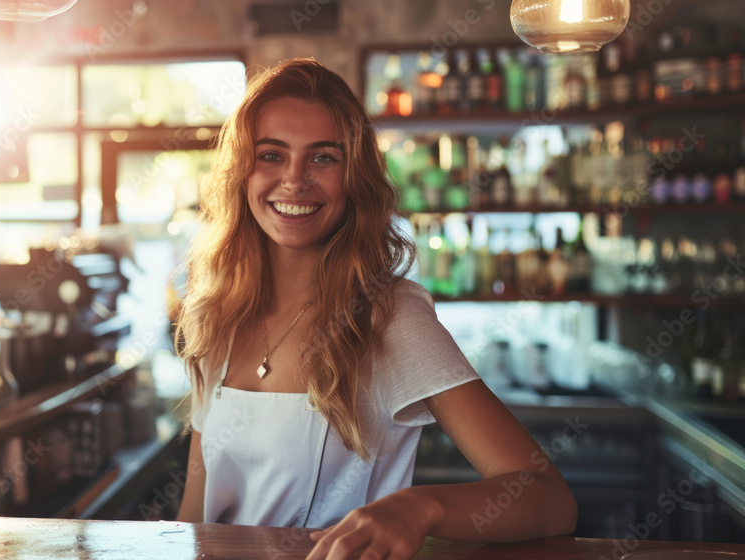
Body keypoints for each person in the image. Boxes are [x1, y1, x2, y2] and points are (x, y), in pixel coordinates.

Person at [174, 58, 577, 560]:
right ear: (241, 171)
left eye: (323, 158)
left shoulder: (389, 316)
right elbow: (195, 514)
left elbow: (549, 497)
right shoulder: (220, 314)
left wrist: (417, 508)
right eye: (271, 155)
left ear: (354, 177)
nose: (295, 180)